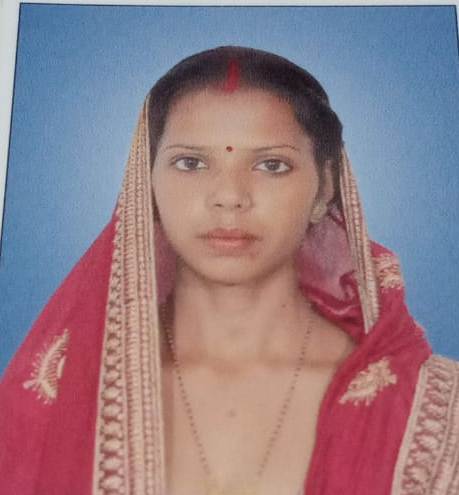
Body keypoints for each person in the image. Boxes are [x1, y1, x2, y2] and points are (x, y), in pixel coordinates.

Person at [0, 46, 457, 495]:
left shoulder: (434, 408)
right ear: (146, 183)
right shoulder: (61, 392)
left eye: (271, 165)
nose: (230, 197)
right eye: (191, 163)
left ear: (325, 189)